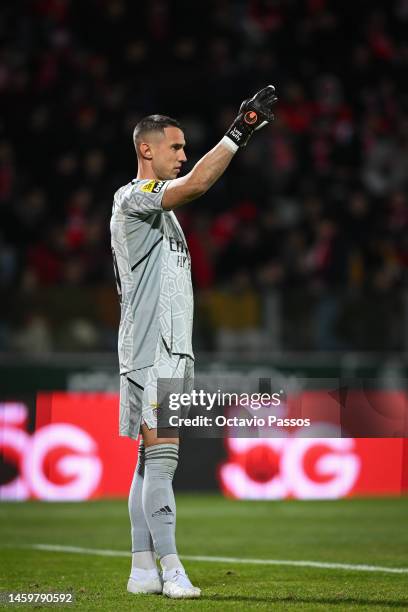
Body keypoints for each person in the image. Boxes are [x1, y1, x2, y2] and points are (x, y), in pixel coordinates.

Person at [110, 85, 278, 599]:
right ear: (147, 149)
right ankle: (173, 567)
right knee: (164, 459)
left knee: (148, 460)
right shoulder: (133, 198)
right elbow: (198, 184)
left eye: (185, 149)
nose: (183, 156)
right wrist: (238, 132)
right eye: (177, 147)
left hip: (174, 347)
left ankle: (142, 569)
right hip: (150, 348)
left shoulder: (165, 216)